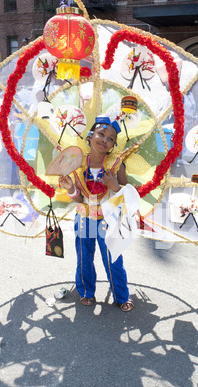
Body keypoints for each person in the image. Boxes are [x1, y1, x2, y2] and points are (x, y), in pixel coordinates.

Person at [59, 116, 134, 311]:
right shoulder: (77, 164)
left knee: (113, 258)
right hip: (84, 218)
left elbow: (127, 195)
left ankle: (121, 295)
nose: (105, 140)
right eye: (101, 134)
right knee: (84, 257)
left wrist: (114, 185)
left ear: (113, 145)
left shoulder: (117, 164)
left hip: (109, 220)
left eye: (111, 138)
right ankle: (85, 292)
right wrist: (69, 189)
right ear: (90, 136)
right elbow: (77, 198)